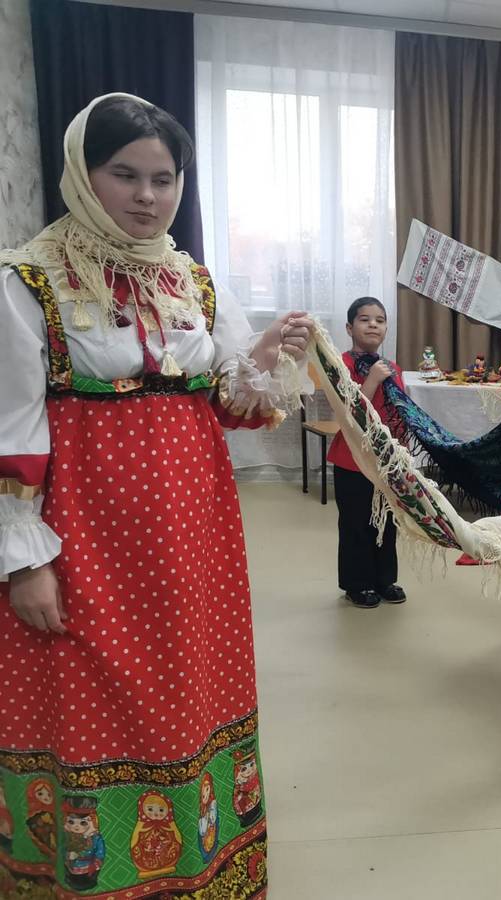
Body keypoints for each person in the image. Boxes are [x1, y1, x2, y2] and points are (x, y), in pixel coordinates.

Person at [0, 93, 312, 898]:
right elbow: (11, 428)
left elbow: (233, 403)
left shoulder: (191, 280)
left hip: (193, 538)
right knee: (92, 698)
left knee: (188, 693)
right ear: (83, 174)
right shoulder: (27, 280)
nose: (147, 196)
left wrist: (263, 356)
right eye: (125, 174)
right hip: (85, 538)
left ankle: (197, 870)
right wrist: (25, 561)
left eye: (164, 179)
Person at [327, 296, 406, 609]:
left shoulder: (393, 368)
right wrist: (372, 379)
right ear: (349, 328)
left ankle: (384, 580)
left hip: (386, 461)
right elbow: (348, 414)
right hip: (352, 460)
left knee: (386, 522)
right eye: (364, 319)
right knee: (356, 524)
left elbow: (399, 414)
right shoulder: (340, 365)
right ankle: (357, 584)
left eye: (380, 320)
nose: (373, 325)